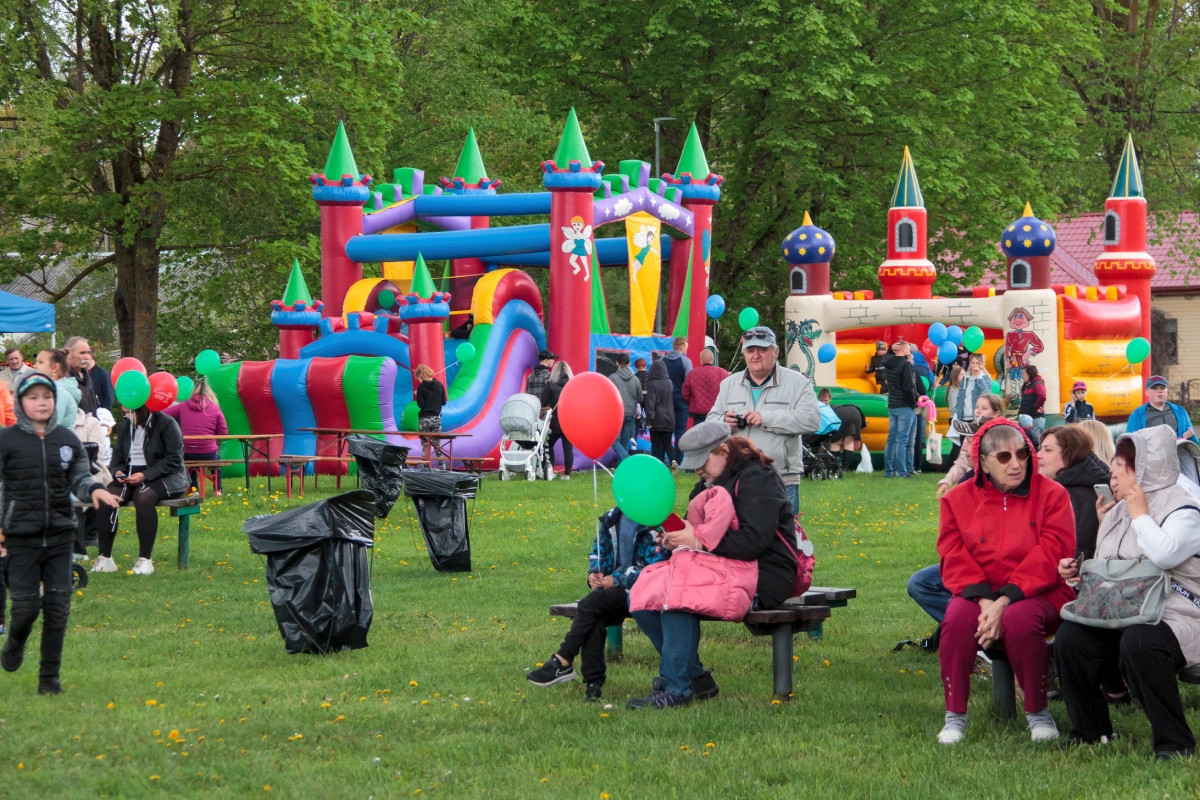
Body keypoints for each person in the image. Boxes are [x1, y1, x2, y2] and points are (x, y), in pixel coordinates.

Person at [627, 424, 798, 709]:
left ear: (723, 450)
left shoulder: (759, 479)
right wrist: (674, 538)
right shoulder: (706, 485)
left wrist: (698, 543)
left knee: (679, 594)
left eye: (701, 462)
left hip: (765, 574)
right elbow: (692, 531)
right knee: (642, 597)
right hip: (718, 570)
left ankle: (677, 688)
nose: (697, 471)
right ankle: (697, 679)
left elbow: (753, 541)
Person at [1055, 427, 1200, 759]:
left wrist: (1140, 516)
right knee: (1071, 637)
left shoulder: (1185, 509)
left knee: (1141, 641)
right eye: (1113, 465)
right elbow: (1110, 570)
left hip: (1179, 613)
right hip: (1125, 609)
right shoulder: (1116, 511)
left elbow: (1165, 555)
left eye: (1121, 465)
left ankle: (1175, 744)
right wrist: (1077, 576)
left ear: (1146, 467)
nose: (1112, 473)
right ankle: (1090, 732)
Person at [936, 418, 1076, 744]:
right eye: (1003, 457)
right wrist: (987, 601)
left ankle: (1038, 713)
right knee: (956, 620)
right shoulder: (956, 500)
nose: (1016, 464)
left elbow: (1053, 551)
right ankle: (954, 716)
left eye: (1022, 454)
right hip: (981, 594)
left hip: (1045, 591)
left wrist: (1006, 599)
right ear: (982, 461)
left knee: (1019, 618)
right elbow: (952, 553)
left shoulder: (1053, 495)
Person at [0, 373, 120, 694]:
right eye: (34, 397)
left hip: (59, 537)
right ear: (21, 402)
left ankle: (49, 679)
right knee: (24, 609)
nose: (42, 402)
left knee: (57, 609)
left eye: (47, 396)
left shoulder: (67, 441)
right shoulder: (5, 441)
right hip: (19, 538)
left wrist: (94, 489)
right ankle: (14, 641)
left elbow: (80, 478)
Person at [524, 507, 667, 701]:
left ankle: (563, 660)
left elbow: (654, 570)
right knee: (593, 615)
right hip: (614, 594)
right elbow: (599, 551)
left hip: (646, 593)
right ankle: (593, 685)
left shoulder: (657, 522)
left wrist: (615, 580)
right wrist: (595, 573)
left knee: (589, 605)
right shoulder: (611, 519)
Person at [706, 326, 820, 516]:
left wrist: (766, 418)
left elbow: (812, 420)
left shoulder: (798, 383)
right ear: (744, 354)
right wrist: (723, 422)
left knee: (783, 540)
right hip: (737, 476)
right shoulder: (728, 384)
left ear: (775, 352)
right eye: (750, 350)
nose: (756, 355)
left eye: (762, 349)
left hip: (781, 477)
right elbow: (710, 422)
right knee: (739, 537)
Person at [93, 405, 188, 576]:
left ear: (143, 409)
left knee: (143, 497)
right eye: (124, 413)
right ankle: (105, 558)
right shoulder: (124, 427)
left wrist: (145, 475)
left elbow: (174, 459)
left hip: (166, 477)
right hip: (130, 476)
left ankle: (145, 560)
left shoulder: (167, 424)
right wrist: (118, 472)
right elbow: (118, 457)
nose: (127, 417)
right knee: (106, 498)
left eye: (131, 412)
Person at [1038, 426, 1110, 560]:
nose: (1038, 455)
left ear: (1069, 455)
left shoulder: (1071, 495)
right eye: (1040, 448)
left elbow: (1076, 552)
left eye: (1047, 450)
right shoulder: (1081, 486)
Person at [163, 376, 229, 494]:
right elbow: (223, 432)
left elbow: (163, 414)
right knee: (217, 458)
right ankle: (217, 489)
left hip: (187, 452)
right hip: (208, 452)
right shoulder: (215, 409)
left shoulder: (182, 406)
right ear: (210, 394)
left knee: (191, 460)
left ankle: (194, 489)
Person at [937, 394, 1004, 498]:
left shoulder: (1001, 438)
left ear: (996, 413)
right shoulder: (969, 432)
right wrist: (947, 481)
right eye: (976, 407)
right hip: (971, 491)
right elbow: (961, 464)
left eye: (984, 408)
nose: (978, 411)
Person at [1126, 375, 1198, 444]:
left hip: (1178, 454)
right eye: (1155, 388)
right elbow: (1129, 443)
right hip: (1151, 455)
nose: (1159, 391)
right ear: (1147, 392)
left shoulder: (1181, 412)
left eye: (1162, 388)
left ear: (1167, 392)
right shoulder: (1137, 415)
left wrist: (1190, 437)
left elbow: (1195, 442)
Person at [882, 341, 917, 478]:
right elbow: (908, 387)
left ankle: (889, 471)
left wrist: (891, 350)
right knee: (902, 440)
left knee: (891, 439)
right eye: (908, 348)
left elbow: (886, 359)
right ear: (902, 349)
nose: (910, 350)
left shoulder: (888, 364)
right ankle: (902, 472)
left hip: (892, 404)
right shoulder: (906, 364)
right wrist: (913, 402)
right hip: (904, 405)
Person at [661, 337, 694, 467]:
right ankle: (678, 462)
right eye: (686, 347)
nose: (686, 350)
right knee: (680, 431)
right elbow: (689, 383)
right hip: (680, 400)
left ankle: (663, 460)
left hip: (665, 401)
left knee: (665, 431)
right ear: (681, 347)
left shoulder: (662, 361)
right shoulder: (686, 361)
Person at [540, 361, 574, 480]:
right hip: (569, 421)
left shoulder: (550, 384)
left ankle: (550, 471)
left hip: (554, 421)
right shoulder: (573, 384)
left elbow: (542, 403)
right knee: (568, 448)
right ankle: (567, 474)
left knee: (548, 445)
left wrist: (548, 407)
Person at [681, 348, 729, 428]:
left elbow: (685, 393)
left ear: (701, 360)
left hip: (698, 414)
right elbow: (728, 391)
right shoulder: (723, 373)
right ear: (712, 360)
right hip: (717, 412)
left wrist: (693, 403)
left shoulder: (692, 373)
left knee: (699, 437)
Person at [607, 352, 641, 464]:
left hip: (616, 414)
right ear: (629, 363)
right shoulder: (636, 379)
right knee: (624, 441)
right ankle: (622, 467)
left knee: (613, 440)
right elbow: (640, 397)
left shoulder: (612, 378)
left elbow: (606, 396)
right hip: (630, 413)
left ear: (617, 363)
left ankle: (626, 460)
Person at [414, 365, 449, 469]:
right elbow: (443, 402)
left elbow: (421, 405)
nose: (419, 380)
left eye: (418, 378)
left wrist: (417, 394)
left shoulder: (421, 387)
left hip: (424, 419)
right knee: (437, 444)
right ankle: (442, 466)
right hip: (436, 418)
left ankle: (426, 467)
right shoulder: (439, 385)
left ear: (421, 375)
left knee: (425, 445)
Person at [34, 349, 79, 427]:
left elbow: (48, 427)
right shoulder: (54, 391)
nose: (34, 366)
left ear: (54, 367)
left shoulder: (58, 393)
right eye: (36, 361)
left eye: (40, 362)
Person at [644, 360, 676, 466]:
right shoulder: (669, 383)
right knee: (667, 443)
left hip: (657, 419)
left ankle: (658, 466)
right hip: (670, 417)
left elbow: (650, 404)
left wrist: (649, 420)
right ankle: (673, 461)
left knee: (656, 445)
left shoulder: (652, 384)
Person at [63, 337, 98, 414]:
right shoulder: (63, 378)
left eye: (88, 353)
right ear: (69, 354)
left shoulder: (86, 376)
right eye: (82, 353)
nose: (87, 357)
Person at [954, 353, 991, 422]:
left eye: (977, 363)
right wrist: (957, 412)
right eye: (973, 363)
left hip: (977, 417)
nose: (974, 365)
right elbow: (960, 396)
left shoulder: (984, 377)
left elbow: (987, 392)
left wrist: (979, 377)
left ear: (981, 365)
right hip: (962, 417)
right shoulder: (965, 378)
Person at [1019, 365, 1047, 440]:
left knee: (1036, 440)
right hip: (1027, 418)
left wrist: (1036, 407)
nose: (1022, 376)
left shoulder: (1037, 384)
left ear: (1029, 374)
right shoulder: (1027, 385)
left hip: (1035, 418)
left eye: (1023, 374)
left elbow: (1042, 396)